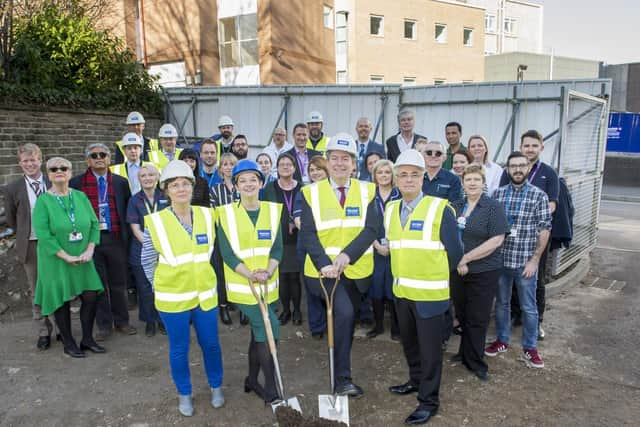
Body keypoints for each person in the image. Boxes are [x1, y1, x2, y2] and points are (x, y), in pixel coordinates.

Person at [300, 133, 381, 397]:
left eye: (345, 158)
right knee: (344, 315)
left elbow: (372, 229)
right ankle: (342, 380)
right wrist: (325, 264)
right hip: (323, 272)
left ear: (353, 163)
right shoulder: (311, 192)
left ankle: (340, 369)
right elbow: (309, 234)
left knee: (346, 319)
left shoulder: (367, 189)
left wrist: (347, 256)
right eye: (334, 158)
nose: (339, 163)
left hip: (355, 271)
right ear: (326, 162)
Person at [386, 149, 462, 426]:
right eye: (402, 175)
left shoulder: (440, 208)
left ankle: (428, 401)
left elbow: (455, 253)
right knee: (410, 345)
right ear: (395, 179)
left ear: (422, 179)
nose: (408, 180)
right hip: (402, 293)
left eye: (414, 175)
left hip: (430, 296)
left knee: (431, 353)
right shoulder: (391, 209)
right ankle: (415, 381)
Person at [141, 160, 224, 416]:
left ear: (193, 186)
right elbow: (147, 260)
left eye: (185, 183)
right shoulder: (156, 221)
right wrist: (159, 286)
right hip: (173, 298)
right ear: (166, 190)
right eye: (175, 185)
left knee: (211, 344)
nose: (181, 189)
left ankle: (216, 387)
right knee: (179, 348)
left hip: (205, 295)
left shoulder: (208, 215)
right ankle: (184, 394)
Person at [216, 159, 283, 405]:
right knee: (269, 328)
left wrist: (268, 270)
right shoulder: (225, 214)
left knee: (259, 335)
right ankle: (272, 388)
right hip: (244, 288)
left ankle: (252, 380)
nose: (247, 184)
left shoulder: (273, 211)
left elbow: (277, 250)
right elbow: (227, 254)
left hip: (267, 286)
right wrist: (251, 274)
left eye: (252, 179)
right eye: (241, 180)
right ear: (234, 186)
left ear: (261, 183)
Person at [33, 157, 105, 358]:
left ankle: (87, 339)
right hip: (56, 260)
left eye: (63, 168)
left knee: (91, 295)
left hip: (83, 257)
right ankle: (68, 342)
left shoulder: (80, 197)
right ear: (48, 175)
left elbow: (93, 224)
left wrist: (90, 249)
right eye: (54, 169)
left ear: (70, 172)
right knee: (61, 300)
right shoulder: (43, 201)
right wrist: (65, 256)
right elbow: (43, 235)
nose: (59, 171)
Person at [486, 151, 552, 369]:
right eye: (513, 166)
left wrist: (535, 260)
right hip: (501, 261)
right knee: (502, 304)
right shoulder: (498, 194)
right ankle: (502, 341)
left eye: (521, 166)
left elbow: (544, 230)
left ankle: (530, 348)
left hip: (525, 263)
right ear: (508, 169)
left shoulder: (538, 196)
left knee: (528, 307)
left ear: (528, 168)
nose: (517, 169)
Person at [70, 143, 136, 341]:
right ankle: (104, 325)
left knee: (118, 283)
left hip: (114, 238)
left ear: (109, 158)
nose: (99, 158)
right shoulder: (76, 183)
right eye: (94, 155)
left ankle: (122, 321)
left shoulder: (120, 182)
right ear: (87, 160)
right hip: (91, 241)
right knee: (98, 284)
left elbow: (127, 209)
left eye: (103, 154)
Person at [450, 164, 508, 381]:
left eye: (476, 179)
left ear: (483, 183)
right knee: (463, 314)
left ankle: (475, 361)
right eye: (468, 179)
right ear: (463, 183)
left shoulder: (493, 207)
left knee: (478, 317)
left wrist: (466, 258)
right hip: (458, 271)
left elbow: (497, 240)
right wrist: (458, 261)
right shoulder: (455, 206)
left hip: (484, 270)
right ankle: (464, 353)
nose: (472, 183)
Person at [499, 130, 559, 340]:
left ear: (540, 147)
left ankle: (535, 330)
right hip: (505, 252)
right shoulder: (503, 183)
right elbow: (499, 211)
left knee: (534, 287)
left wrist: (529, 218)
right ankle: (510, 326)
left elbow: (550, 206)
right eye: (527, 145)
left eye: (534, 145)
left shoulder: (548, 175)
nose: (530, 149)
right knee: (505, 297)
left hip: (531, 244)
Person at [4, 143, 55, 350]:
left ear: (40, 160)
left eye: (33, 159)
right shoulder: (12, 188)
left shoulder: (53, 181)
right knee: (36, 288)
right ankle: (43, 330)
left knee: (55, 285)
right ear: (20, 164)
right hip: (31, 244)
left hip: (53, 243)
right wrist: (27, 234)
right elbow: (11, 218)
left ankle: (61, 327)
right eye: (25, 161)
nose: (30, 164)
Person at [126, 163, 169, 337]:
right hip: (142, 250)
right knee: (145, 288)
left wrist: (162, 246)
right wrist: (152, 246)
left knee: (163, 286)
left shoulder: (166, 197)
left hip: (165, 250)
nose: (147, 178)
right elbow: (135, 228)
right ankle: (149, 321)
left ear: (157, 178)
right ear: (139, 179)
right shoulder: (134, 200)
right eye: (143, 176)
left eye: (151, 175)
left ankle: (163, 320)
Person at [263, 153, 303, 326]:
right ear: (277, 168)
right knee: (282, 277)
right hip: (278, 238)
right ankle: (286, 310)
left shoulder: (302, 188)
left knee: (295, 277)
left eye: (289, 164)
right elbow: (264, 213)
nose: (285, 167)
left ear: (294, 168)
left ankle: (298, 310)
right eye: (282, 164)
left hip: (297, 238)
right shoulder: (269, 189)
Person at [293, 155, 329, 339]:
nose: (315, 173)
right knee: (312, 287)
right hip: (307, 244)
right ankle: (317, 327)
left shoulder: (334, 192)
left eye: (319, 169)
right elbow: (298, 219)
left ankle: (332, 324)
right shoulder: (304, 192)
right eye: (311, 170)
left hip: (330, 246)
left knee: (331, 288)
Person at [366, 159, 401, 340]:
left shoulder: (400, 194)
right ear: (375, 175)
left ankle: (396, 328)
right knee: (376, 288)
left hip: (396, 249)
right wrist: (377, 245)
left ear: (393, 175)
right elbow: (362, 225)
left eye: (387, 172)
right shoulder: (368, 196)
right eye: (380, 172)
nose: (384, 176)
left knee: (394, 289)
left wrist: (392, 245)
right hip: (375, 249)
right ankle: (378, 326)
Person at [209, 152, 246, 326]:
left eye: (232, 164)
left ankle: (244, 307)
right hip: (222, 236)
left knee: (243, 270)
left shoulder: (243, 187)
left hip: (243, 237)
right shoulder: (215, 190)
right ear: (220, 169)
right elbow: (214, 215)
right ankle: (223, 306)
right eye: (225, 164)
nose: (229, 167)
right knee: (221, 273)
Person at [355, 117, 386, 181]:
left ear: (370, 129)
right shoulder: (350, 147)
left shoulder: (379, 148)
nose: (363, 128)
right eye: (360, 126)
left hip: (372, 184)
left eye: (366, 126)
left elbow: (384, 168)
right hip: (352, 184)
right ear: (356, 129)